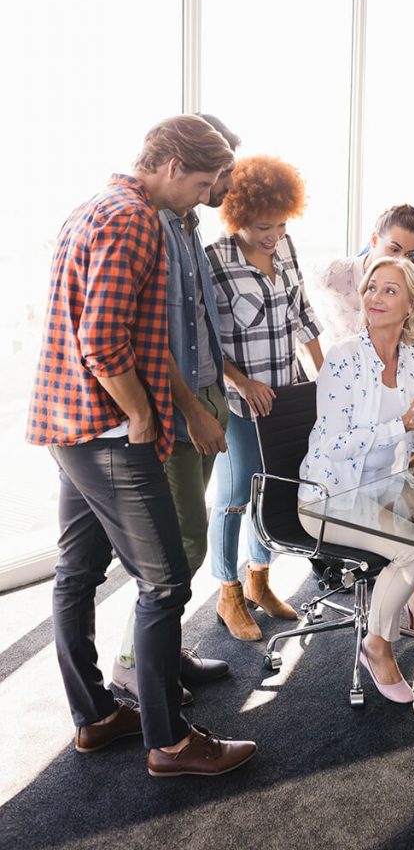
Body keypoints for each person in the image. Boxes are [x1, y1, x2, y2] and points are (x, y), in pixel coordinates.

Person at [26, 115, 256, 777]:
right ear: (176, 165)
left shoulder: (96, 206)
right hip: (107, 433)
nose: (205, 198)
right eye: (206, 183)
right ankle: (170, 740)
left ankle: (96, 716)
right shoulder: (133, 220)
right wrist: (141, 416)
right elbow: (102, 343)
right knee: (164, 583)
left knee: (77, 575)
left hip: (72, 427)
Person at [112, 114, 241, 704]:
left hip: (206, 390)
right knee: (182, 539)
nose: (225, 185)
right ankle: (133, 663)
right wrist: (191, 410)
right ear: (184, 168)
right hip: (175, 403)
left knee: (192, 529)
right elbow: (146, 335)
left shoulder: (188, 222)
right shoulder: (150, 222)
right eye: (219, 173)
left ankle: (164, 648)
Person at [299, 257, 414, 704]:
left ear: (411, 305)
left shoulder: (412, 359)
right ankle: (378, 642)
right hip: (330, 496)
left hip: (387, 486)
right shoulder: (343, 358)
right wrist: (403, 426)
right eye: (372, 287)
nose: (374, 297)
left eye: (390, 291)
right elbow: (333, 446)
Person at [206, 154, 324, 640]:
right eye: (261, 227)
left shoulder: (287, 247)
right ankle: (227, 593)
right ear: (237, 218)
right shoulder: (215, 260)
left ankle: (259, 580)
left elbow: (301, 311)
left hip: (287, 395)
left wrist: (327, 373)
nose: (272, 235)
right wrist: (242, 382)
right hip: (240, 403)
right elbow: (207, 342)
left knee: (275, 487)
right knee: (235, 496)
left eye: (279, 224)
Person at [316, 204, 414, 346]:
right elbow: (299, 305)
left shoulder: (407, 287)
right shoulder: (335, 273)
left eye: (409, 255)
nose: (400, 261)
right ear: (374, 240)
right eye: (394, 249)